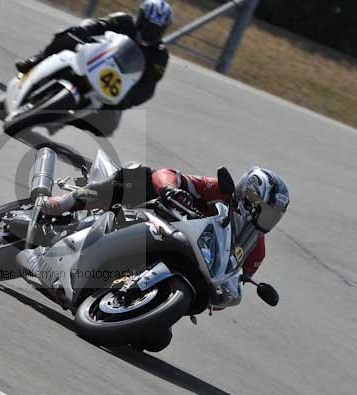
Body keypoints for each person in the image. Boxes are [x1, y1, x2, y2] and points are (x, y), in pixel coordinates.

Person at [42, 165, 291, 278]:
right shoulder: (219, 190)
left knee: (158, 338)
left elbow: (236, 278)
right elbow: (168, 174)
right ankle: (66, 201)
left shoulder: (255, 248)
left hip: (182, 260)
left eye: (273, 216)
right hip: (153, 220)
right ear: (249, 196)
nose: (267, 221)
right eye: (265, 211)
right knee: (139, 175)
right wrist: (171, 189)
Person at [14, 0, 173, 135]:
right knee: (68, 36)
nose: (151, 31)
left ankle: (67, 118)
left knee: (108, 126)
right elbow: (96, 24)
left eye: (157, 28)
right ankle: (37, 60)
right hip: (94, 59)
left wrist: (126, 100)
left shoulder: (160, 55)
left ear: (163, 30)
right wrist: (83, 31)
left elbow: (148, 87)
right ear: (141, 18)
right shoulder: (123, 21)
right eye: (149, 24)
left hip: (114, 86)